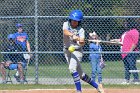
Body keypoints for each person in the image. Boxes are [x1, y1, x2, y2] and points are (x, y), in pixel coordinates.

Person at [63, 10, 105, 93]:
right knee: (81, 75)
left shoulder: (81, 30)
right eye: (73, 20)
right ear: (70, 19)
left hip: (77, 51)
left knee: (72, 68)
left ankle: (79, 91)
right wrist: (73, 35)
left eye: (76, 21)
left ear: (79, 21)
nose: (74, 22)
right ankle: (97, 87)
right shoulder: (66, 24)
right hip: (67, 50)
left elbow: (82, 43)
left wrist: (80, 40)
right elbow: (65, 32)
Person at [111, 18, 140, 84]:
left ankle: (136, 79)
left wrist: (130, 51)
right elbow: (121, 40)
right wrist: (114, 40)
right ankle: (127, 80)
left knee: (132, 65)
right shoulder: (126, 32)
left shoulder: (134, 31)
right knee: (126, 66)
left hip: (130, 52)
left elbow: (135, 43)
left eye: (126, 23)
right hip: (124, 52)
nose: (125, 24)